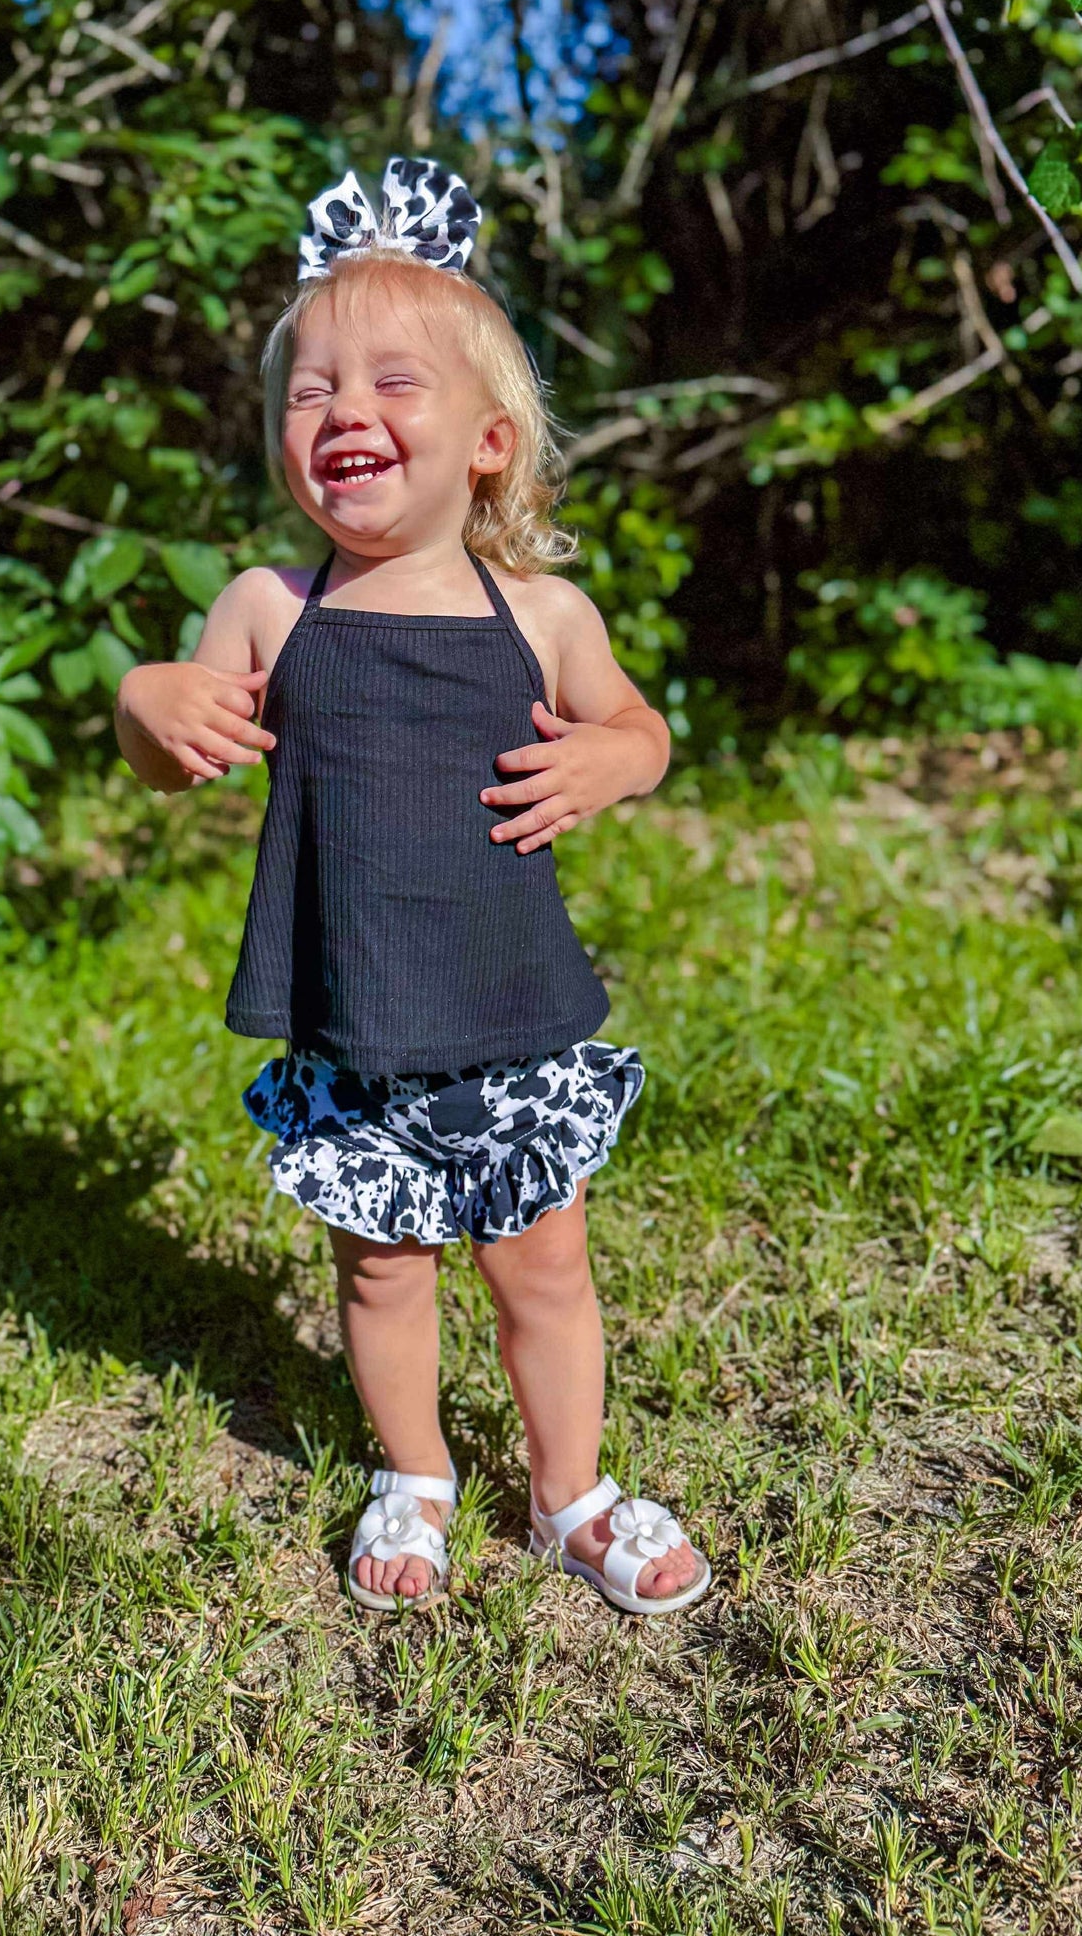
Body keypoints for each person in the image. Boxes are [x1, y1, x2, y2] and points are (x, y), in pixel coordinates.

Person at [114, 157, 710, 1619]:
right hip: (355, 1017)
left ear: (491, 441)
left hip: (511, 1019)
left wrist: (613, 759)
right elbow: (165, 754)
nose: (344, 414)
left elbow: (643, 729)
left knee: (542, 1272)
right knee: (382, 1272)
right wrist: (145, 699)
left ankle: (570, 1496)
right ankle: (417, 1474)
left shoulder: (542, 615)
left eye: (393, 384)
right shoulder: (274, 609)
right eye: (311, 391)